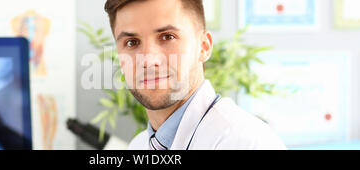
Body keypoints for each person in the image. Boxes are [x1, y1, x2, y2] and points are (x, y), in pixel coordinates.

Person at [104, 0, 286, 150]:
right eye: (131, 42)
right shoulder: (138, 146)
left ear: (204, 46)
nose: (149, 61)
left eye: (167, 37)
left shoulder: (246, 142)